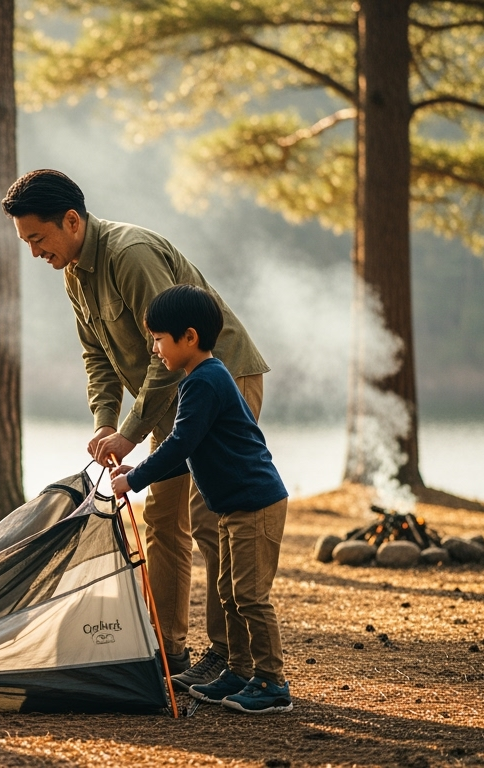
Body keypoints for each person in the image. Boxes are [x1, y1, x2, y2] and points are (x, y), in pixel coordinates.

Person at [2, 169, 269, 690]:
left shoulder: (130, 254)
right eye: (26, 242)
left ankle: (230, 656)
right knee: (163, 519)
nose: (34, 251)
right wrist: (106, 423)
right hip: (168, 393)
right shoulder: (73, 271)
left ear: (72, 221)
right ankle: (170, 650)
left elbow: (172, 349)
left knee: (212, 515)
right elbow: (96, 356)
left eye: (37, 238)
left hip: (220, 382)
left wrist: (130, 431)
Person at [110, 285, 290, 714]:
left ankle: (272, 681)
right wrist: (135, 476)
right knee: (228, 591)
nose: (154, 349)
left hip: (255, 504)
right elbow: (186, 455)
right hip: (233, 507)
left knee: (250, 594)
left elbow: (177, 444)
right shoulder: (203, 379)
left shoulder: (205, 382)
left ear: (189, 337)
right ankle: (239, 670)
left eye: (159, 339)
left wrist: (134, 480)